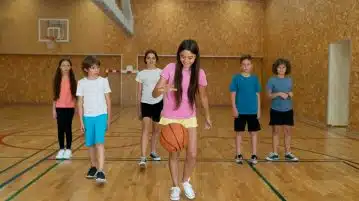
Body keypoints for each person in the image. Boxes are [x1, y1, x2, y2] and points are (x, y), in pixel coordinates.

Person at [152, 39, 212, 201]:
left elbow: (203, 97)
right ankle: (175, 186)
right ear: (178, 55)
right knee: (174, 154)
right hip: (170, 118)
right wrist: (161, 89)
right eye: (183, 56)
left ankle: (185, 181)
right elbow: (154, 93)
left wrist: (207, 116)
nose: (186, 60)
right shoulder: (170, 69)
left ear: (196, 57)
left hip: (189, 117)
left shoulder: (199, 73)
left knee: (192, 154)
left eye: (190, 57)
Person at [76, 55, 112, 183]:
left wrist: (108, 119)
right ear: (86, 69)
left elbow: (108, 101)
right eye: (93, 68)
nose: (96, 70)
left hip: (101, 115)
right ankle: (93, 167)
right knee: (90, 144)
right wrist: (81, 121)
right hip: (88, 117)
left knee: (99, 143)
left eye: (97, 67)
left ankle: (101, 171)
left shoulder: (103, 81)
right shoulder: (81, 83)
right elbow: (79, 103)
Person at [229, 54, 261, 165]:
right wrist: (234, 108)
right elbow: (233, 94)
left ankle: (254, 154)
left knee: (253, 133)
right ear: (240, 66)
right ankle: (238, 154)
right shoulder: (236, 78)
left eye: (248, 64)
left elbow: (257, 95)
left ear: (251, 66)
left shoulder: (255, 79)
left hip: (252, 111)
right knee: (239, 133)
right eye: (243, 64)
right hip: (240, 111)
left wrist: (259, 110)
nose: (246, 66)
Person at [265, 58, 298, 162]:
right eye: (279, 67)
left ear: (286, 68)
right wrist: (279, 93)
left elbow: (291, 92)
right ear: (276, 68)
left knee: (288, 131)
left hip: (288, 110)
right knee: (276, 131)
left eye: (283, 67)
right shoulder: (272, 80)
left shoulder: (289, 80)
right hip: (275, 110)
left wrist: (291, 94)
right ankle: (275, 153)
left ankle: (288, 152)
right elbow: (269, 96)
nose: (281, 69)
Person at [135, 49, 163, 168]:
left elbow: (163, 89)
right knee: (145, 130)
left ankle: (153, 151)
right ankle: (143, 157)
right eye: (148, 58)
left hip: (159, 103)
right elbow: (139, 92)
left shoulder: (161, 73)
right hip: (145, 103)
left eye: (153, 58)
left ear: (156, 59)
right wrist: (139, 108)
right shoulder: (141, 74)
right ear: (145, 60)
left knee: (156, 130)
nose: (151, 60)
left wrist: (165, 106)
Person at [52, 58, 77, 160]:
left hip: (69, 108)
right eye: (63, 65)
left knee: (68, 128)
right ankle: (61, 148)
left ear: (70, 67)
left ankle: (69, 149)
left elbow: (75, 96)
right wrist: (53, 109)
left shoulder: (73, 80)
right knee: (60, 128)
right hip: (59, 107)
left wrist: (76, 107)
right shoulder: (57, 80)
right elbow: (55, 96)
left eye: (67, 65)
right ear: (60, 67)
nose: (65, 67)